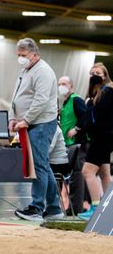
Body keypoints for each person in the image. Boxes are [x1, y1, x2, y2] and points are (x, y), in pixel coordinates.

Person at [9, 38, 62, 222]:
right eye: (18, 55)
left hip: (41, 123)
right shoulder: (26, 70)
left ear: (33, 53)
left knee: (38, 166)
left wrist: (26, 119)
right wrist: (13, 118)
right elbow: (16, 96)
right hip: (30, 123)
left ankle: (37, 208)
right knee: (43, 166)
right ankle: (54, 208)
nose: (20, 59)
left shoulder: (44, 71)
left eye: (23, 55)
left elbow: (41, 99)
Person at [78, 63, 113, 220]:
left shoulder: (108, 91)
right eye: (92, 73)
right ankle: (108, 208)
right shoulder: (97, 93)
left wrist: (90, 104)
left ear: (105, 76)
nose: (94, 75)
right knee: (105, 172)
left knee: (87, 171)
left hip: (103, 136)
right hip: (103, 136)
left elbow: (100, 115)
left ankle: (96, 207)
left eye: (98, 73)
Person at [57, 75, 88, 215]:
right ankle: (72, 207)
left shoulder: (76, 99)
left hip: (78, 144)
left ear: (71, 86)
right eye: (59, 84)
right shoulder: (65, 102)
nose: (61, 86)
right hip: (68, 144)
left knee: (77, 176)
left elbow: (86, 116)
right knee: (71, 177)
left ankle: (76, 208)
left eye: (64, 83)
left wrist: (76, 129)